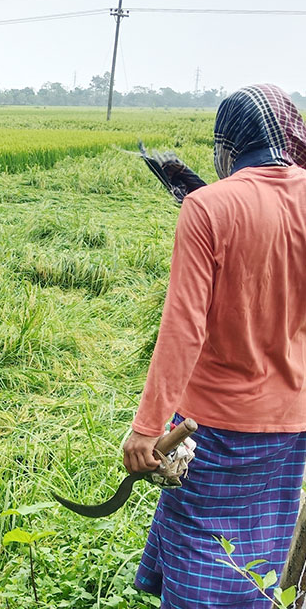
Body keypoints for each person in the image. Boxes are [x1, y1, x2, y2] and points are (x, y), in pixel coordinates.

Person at [125, 84, 306, 607]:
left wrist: (144, 429)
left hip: (213, 425)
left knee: (203, 548)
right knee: (259, 554)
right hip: (291, 425)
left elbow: (184, 328)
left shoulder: (208, 207)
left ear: (230, 144)